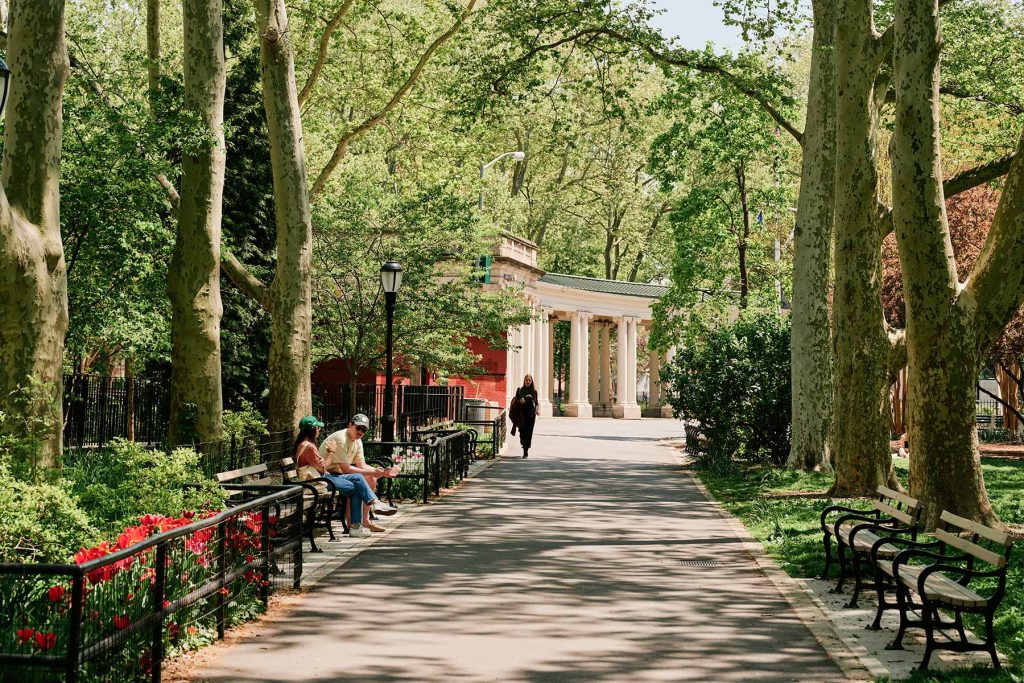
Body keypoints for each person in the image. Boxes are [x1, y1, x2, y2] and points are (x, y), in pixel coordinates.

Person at [293, 415, 395, 538]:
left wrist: (379, 471)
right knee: (357, 487)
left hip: (323, 478)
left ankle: (371, 508)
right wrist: (331, 452)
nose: (319, 431)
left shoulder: (306, 444)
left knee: (357, 479)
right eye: (318, 428)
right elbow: (323, 467)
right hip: (317, 482)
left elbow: (358, 465)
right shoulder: (309, 446)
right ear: (312, 429)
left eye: (364, 430)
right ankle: (357, 525)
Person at [511, 374, 539, 458]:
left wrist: (537, 410)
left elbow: (536, 403)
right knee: (522, 432)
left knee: (529, 432)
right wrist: (520, 401)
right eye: (526, 380)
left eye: (529, 380)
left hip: (531, 415)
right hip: (521, 414)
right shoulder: (520, 390)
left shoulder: (534, 391)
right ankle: (524, 445)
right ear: (524, 381)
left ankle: (525, 450)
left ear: (531, 381)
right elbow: (515, 401)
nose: (528, 381)